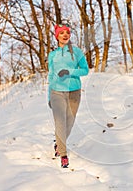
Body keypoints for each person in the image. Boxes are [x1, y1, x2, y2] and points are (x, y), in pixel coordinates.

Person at [47, 24, 89, 168]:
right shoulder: (52, 55)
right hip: (57, 92)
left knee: (69, 124)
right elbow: (51, 75)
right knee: (60, 122)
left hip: (74, 91)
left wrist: (70, 71)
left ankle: (58, 144)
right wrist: (49, 97)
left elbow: (85, 70)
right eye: (61, 33)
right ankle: (63, 154)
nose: (65, 35)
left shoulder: (76, 52)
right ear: (57, 36)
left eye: (67, 33)